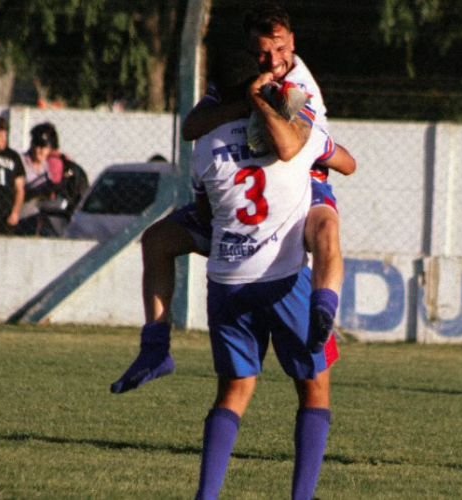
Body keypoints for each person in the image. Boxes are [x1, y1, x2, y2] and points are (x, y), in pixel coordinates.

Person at [110, 2, 355, 394]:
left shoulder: (299, 86)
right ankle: (155, 347)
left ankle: (323, 310)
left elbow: (291, 148)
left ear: (292, 42)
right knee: (156, 240)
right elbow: (192, 125)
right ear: (250, 52)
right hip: (241, 207)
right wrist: (246, 102)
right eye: (262, 52)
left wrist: (255, 105)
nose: (272, 60)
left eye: (279, 49)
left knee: (326, 227)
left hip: (303, 187)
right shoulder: (240, 80)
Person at [182, 49, 351, 500]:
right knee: (314, 388)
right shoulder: (296, 134)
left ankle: (206, 495)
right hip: (284, 277)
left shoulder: (206, 144)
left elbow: (204, 214)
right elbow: (348, 163)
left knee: (234, 391)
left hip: (227, 280)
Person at [16, 122, 63, 236]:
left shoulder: (47, 165)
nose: (41, 151)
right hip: (22, 216)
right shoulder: (21, 162)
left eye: (45, 147)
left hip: (41, 218)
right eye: (38, 145)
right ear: (32, 144)